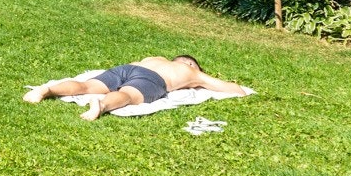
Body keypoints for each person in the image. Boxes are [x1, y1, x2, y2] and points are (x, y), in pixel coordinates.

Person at [24, 54, 248, 121]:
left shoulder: (154, 57)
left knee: (86, 85)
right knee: (127, 95)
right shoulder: (191, 72)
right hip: (152, 79)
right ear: (189, 62)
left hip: (126, 68)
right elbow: (232, 89)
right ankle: (101, 105)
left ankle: (47, 90)